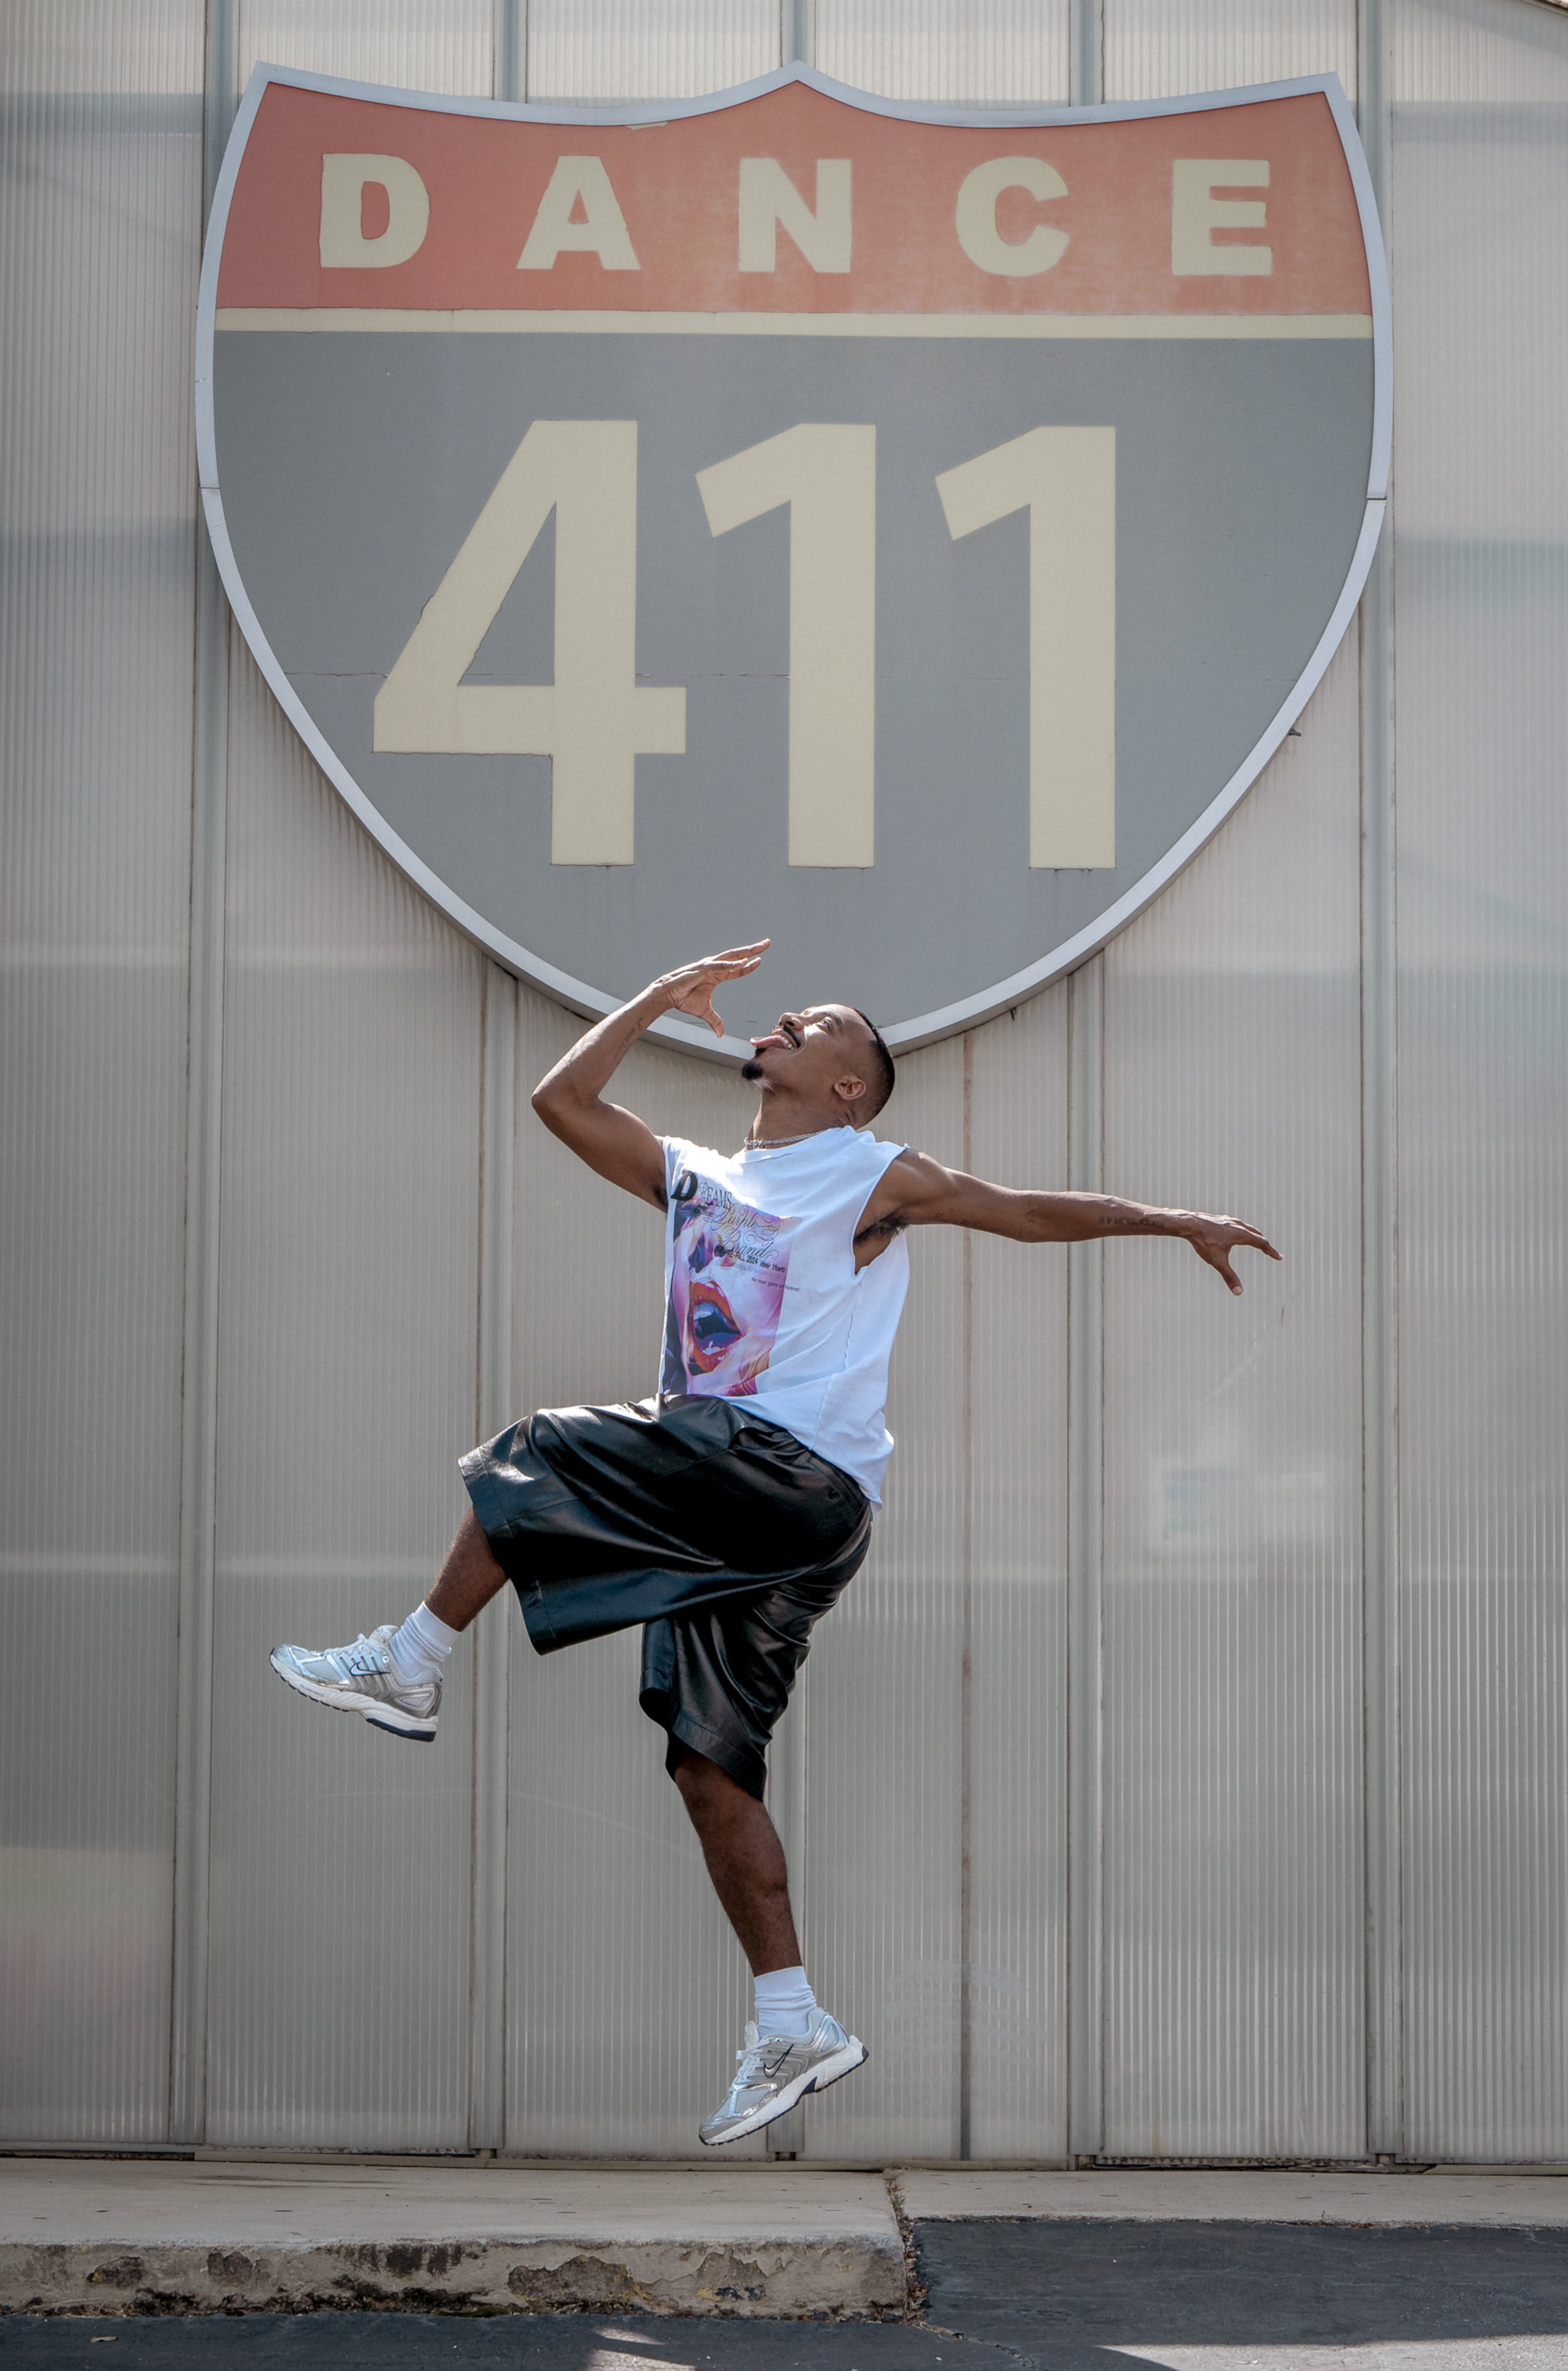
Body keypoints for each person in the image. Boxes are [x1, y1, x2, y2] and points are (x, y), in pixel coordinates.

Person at [271, 941, 1280, 2146]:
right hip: (745, 1506)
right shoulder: (699, 1177)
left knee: (535, 1448)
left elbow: (1023, 1212)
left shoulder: (870, 1172)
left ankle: (414, 1662)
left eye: (828, 1023)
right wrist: (650, 995)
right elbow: (561, 1103)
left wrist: (1178, 1223)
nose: (795, 1016)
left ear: (850, 1087)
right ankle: (793, 2019)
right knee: (708, 1764)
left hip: (789, 1476)